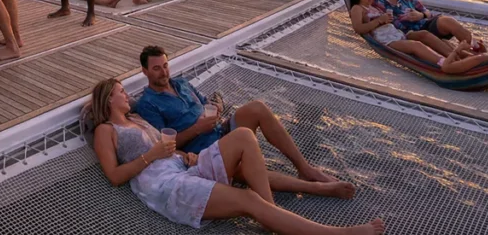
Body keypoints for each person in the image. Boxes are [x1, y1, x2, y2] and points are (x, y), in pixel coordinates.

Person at [88, 78, 385, 234]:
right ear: (107, 99)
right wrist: (152, 155)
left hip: (179, 167)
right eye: (120, 91)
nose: (126, 94)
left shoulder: (138, 120)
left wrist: (182, 155)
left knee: (242, 136)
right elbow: (114, 176)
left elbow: (165, 149)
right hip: (163, 186)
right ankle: (335, 234)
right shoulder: (106, 129)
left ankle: (274, 217)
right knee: (249, 200)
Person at [135, 46, 346, 189]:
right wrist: (198, 129)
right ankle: (313, 188)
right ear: (145, 71)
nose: (164, 73)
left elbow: (206, 101)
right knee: (245, 163)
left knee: (257, 108)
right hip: (206, 151)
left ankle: (304, 168)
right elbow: (166, 144)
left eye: (165, 66)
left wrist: (216, 108)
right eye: (156, 69)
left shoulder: (181, 82)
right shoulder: (148, 103)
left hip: (220, 130)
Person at [349, 0, 451, 64]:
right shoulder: (357, 8)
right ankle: (444, 63)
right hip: (386, 40)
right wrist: (379, 20)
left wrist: (386, 20)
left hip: (397, 33)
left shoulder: (373, 7)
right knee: (416, 45)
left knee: (427, 36)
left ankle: (456, 56)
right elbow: (358, 28)